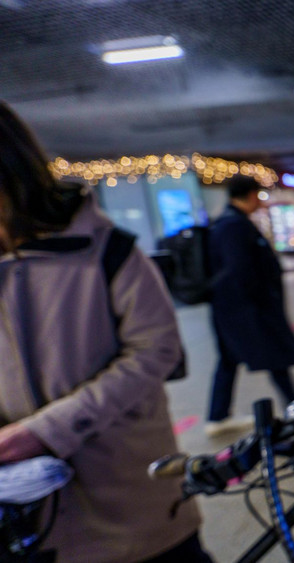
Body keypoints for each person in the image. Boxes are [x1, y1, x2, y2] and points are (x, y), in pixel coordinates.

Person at [0, 102, 210, 562]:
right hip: (20, 521)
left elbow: (156, 350)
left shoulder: (104, 250)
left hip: (127, 501)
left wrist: (46, 430)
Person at [205, 176, 294, 437]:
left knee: (229, 361)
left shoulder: (229, 223)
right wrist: (261, 302)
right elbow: (240, 270)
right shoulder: (233, 226)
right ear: (251, 195)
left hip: (234, 309)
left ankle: (217, 416)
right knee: (276, 359)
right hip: (247, 311)